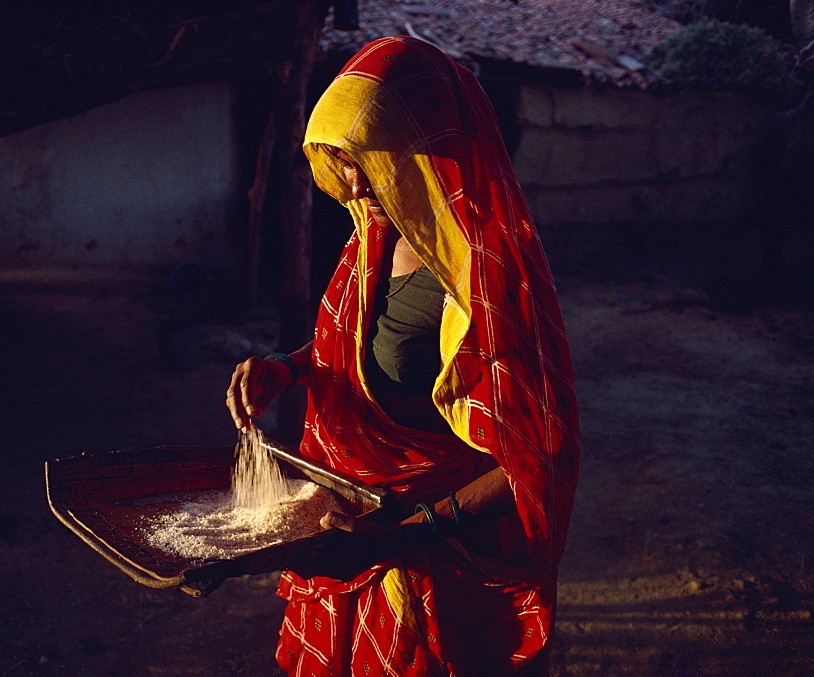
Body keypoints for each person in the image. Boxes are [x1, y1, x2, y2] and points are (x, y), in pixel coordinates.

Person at [226, 36, 579, 676]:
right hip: (346, 519)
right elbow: (367, 347)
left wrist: (414, 530)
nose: (353, 179)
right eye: (343, 158)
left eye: (368, 154)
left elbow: (536, 457)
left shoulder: (486, 276)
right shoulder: (376, 238)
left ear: (428, 146)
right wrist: (287, 366)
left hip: (437, 559)